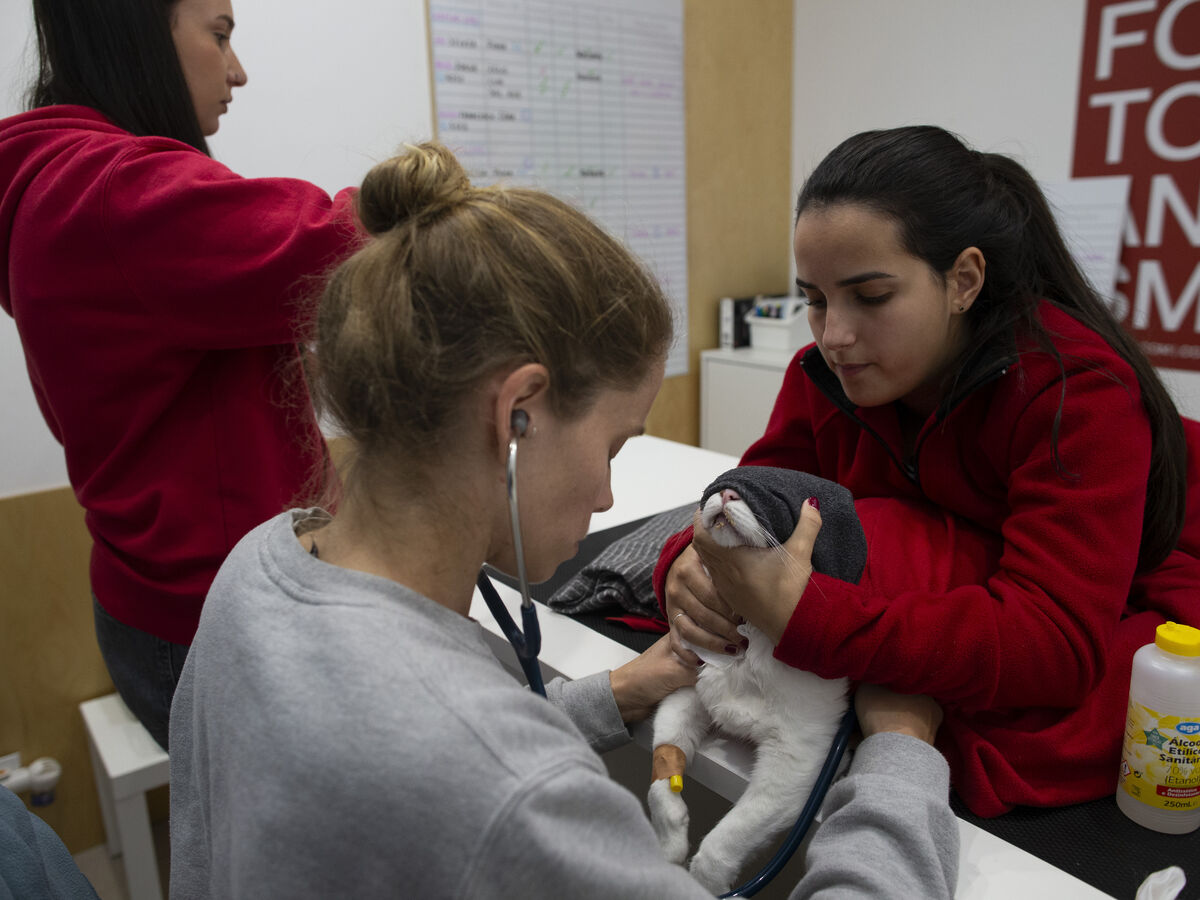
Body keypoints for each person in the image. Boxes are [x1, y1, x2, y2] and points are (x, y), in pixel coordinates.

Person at [168, 142, 961, 899]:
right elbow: (470, 768)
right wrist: (899, 755)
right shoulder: (515, 793)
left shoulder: (259, 567)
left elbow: (400, 743)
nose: (609, 497)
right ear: (519, 413)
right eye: (615, 443)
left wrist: (615, 692)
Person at [656, 125, 1200, 818]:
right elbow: (753, 494)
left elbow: (1057, 640)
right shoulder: (824, 373)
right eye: (816, 299)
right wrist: (688, 565)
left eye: (871, 297)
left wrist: (813, 621)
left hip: (1139, 584)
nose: (834, 335)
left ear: (964, 281)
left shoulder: (1078, 392)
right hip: (988, 584)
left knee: (1067, 722)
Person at [0, 0, 364, 748]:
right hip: (207, 617)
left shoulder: (50, 180)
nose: (237, 71)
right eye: (220, 35)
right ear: (135, 29)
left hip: (157, 597)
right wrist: (432, 198)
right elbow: (331, 243)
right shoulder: (110, 193)